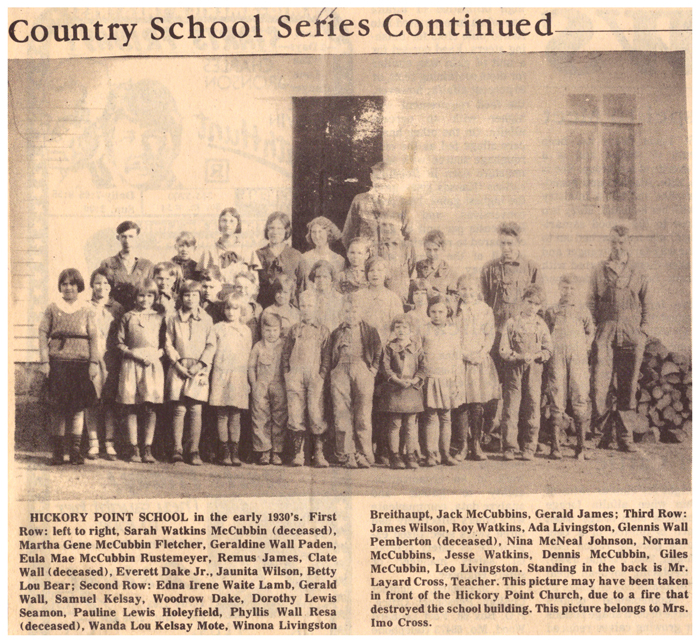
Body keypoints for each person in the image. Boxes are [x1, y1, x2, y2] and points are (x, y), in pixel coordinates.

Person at [479, 221, 545, 449]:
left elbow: (539, 304)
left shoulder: (531, 268)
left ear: (519, 243)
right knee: (494, 387)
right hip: (497, 338)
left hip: (523, 341)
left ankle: (526, 441)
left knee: (525, 391)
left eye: (510, 243)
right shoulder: (489, 268)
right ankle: (493, 436)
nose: (506, 248)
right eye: (502, 243)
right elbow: (485, 303)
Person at [588, 225, 650, 453]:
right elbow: (591, 301)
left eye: (621, 243)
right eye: (613, 242)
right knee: (600, 385)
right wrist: (595, 330)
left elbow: (648, 302)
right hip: (605, 334)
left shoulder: (639, 270)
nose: (617, 247)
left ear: (629, 243)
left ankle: (625, 436)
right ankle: (604, 435)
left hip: (631, 335)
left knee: (628, 386)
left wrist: (643, 331)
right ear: (609, 243)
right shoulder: (599, 270)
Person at [38, 268, 99, 465]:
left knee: (77, 409)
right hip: (58, 364)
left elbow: (95, 337)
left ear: (79, 286)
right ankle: (57, 452)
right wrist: (45, 361)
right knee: (58, 409)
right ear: (60, 287)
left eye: (72, 284)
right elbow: (42, 333)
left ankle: (74, 451)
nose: (69, 288)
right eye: (64, 284)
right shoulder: (52, 308)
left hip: (81, 364)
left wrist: (93, 362)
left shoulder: (87, 309)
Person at [164, 280, 215, 465]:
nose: (190, 299)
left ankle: (194, 450)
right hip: (179, 367)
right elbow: (168, 343)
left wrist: (200, 365)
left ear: (200, 298)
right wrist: (177, 364)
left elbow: (210, 345)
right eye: (187, 295)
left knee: (196, 409)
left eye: (194, 295)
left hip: (198, 369)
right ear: (181, 297)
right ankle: (177, 448)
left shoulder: (207, 319)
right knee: (179, 408)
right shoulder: (173, 318)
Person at [499, 284, 552, 461]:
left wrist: (536, 355)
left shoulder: (541, 324)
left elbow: (548, 349)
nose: (532, 307)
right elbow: (503, 349)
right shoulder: (512, 323)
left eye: (536, 304)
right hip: (514, 369)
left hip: (534, 370)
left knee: (532, 406)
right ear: (523, 301)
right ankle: (509, 447)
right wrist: (518, 356)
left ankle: (529, 446)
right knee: (511, 408)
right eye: (529, 302)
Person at [329, 293, 382, 468]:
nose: (351, 314)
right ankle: (346, 453)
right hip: (341, 370)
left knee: (363, 414)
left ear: (361, 312)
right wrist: (334, 370)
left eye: (355, 311)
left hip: (362, 369)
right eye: (347, 311)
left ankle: (363, 453)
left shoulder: (370, 330)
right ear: (342, 313)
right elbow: (330, 354)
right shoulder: (337, 332)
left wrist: (373, 369)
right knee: (341, 412)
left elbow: (378, 349)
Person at [545, 273, 595, 460]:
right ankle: (555, 447)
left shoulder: (583, 311)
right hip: (557, 357)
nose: (568, 291)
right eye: (565, 288)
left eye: (572, 288)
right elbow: (545, 333)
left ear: (577, 290)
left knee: (580, 396)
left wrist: (584, 349)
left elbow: (590, 332)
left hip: (578, 359)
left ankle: (581, 447)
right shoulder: (552, 311)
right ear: (559, 288)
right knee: (557, 396)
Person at [452, 273, 501, 462]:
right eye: (463, 288)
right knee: (462, 402)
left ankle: (476, 444)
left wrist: (481, 354)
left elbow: (490, 334)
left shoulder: (485, 309)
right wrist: (463, 354)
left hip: (480, 361)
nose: (468, 292)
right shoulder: (454, 310)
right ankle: (462, 444)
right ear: (458, 290)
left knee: (477, 403)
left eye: (471, 289)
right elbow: (452, 335)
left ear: (478, 290)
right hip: (460, 360)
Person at [115, 279, 165, 463]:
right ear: (135, 297)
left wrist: (156, 355)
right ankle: (134, 447)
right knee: (132, 406)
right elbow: (119, 343)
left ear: (155, 297)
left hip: (152, 365)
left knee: (150, 407)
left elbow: (165, 343)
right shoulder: (128, 316)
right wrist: (134, 355)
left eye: (149, 295)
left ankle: (147, 448)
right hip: (132, 364)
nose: (145, 299)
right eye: (141, 295)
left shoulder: (159, 317)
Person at [282, 290, 331, 467]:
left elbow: (326, 356)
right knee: (295, 413)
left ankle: (318, 453)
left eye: (310, 306)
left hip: (315, 375)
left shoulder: (323, 330)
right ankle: (299, 453)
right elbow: (286, 353)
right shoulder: (294, 330)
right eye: (303, 306)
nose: (306, 309)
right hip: (295, 375)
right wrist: (287, 373)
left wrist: (322, 375)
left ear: (316, 307)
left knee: (316, 412)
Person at [84, 267, 123, 460]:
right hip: (91, 358)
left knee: (109, 402)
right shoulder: (85, 307)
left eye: (106, 283)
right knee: (91, 400)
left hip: (111, 360)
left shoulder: (117, 308)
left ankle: (109, 443)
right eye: (98, 282)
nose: (102, 287)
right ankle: (93, 443)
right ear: (92, 285)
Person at [420, 295, 463, 467]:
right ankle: (431, 453)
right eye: (433, 312)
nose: (437, 315)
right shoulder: (423, 330)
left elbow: (457, 357)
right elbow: (419, 355)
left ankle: (445, 453)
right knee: (431, 416)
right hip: (430, 377)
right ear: (428, 312)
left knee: (446, 416)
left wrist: (457, 381)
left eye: (441, 311)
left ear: (448, 312)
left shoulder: (453, 331)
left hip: (448, 379)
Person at [210, 293, 253, 467]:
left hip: (238, 375)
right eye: (228, 308)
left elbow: (248, 355)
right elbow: (212, 352)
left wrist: (248, 380)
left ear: (241, 310)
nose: (231, 312)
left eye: (235, 308)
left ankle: (235, 451)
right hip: (221, 373)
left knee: (235, 414)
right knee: (222, 413)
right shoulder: (217, 328)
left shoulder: (246, 330)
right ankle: (224, 450)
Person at [378, 315, 425, 469]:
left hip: (411, 390)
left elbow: (424, 367)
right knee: (395, 424)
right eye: (398, 327)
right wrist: (397, 380)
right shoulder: (389, 348)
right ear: (393, 330)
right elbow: (385, 368)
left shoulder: (417, 347)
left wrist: (414, 380)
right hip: (395, 390)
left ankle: (410, 454)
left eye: (405, 327)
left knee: (411, 424)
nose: (401, 330)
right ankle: (394, 455)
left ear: (411, 331)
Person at [341, 161, 412, 255]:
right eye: (378, 178)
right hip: (368, 260)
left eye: (386, 179)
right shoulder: (359, 200)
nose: (381, 183)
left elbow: (410, 236)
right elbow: (347, 235)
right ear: (371, 177)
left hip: (392, 260)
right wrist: (358, 257)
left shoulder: (402, 203)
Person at [248, 311, 287, 466]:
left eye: (275, 330)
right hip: (261, 385)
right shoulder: (258, 346)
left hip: (279, 385)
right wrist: (254, 384)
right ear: (262, 330)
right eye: (267, 330)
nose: (271, 334)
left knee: (279, 418)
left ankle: (277, 451)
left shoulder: (284, 346)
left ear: (280, 330)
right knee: (260, 417)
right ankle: (264, 451)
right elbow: (251, 367)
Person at [198, 207, 260, 287]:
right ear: (219, 223)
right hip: (216, 296)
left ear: (237, 224)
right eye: (224, 220)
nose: (227, 224)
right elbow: (202, 280)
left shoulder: (247, 249)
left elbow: (255, 281)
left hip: (240, 295)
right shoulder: (209, 250)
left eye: (231, 221)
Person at [99, 220, 154, 309]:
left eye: (131, 237)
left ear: (137, 238)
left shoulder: (148, 265)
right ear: (118, 238)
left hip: (139, 312)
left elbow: (152, 292)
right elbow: (101, 291)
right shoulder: (107, 263)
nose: (127, 240)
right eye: (123, 237)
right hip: (114, 311)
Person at [256, 211, 305, 309]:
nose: (275, 232)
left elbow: (302, 287)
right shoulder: (259, 254)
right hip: (264, 307)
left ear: (286, 231)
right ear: (267, 230)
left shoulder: (296, 255)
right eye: (271, 228)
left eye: (279, 228)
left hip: (290, 309)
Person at [357, 257, 404, 345]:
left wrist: (388, 343)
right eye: (371, 270)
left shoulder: (393, 298)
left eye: (379, 270)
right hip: (362, 344)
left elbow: (398, 326)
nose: (375, 274)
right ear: (367, 274)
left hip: (386, 344)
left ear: (386, 273)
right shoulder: (358, 296)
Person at [377, 219, 416, 304]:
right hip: (382, 299)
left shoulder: (407, 247)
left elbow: (412, 271)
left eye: (391, 225)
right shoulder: (375, 248)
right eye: (384, 224)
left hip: (403, 299)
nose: (387, 228)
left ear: (399, 226)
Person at [301, 216, 345, 285]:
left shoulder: (339, 260)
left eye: (320, 232)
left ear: (328, 233)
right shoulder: (304, 258)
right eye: (313, 232)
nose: (317, 236)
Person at [415, 229, 456, 297]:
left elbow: (454, 299)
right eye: (428, 249)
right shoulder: (417, 267)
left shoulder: (449, 272)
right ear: (424, 248)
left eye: (435, 250)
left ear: (443, 248)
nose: (432, 254)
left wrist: (435, 293)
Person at [307, 260, 344, 332]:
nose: (321, 280)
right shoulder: (307, 296)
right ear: (313, 278)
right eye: (318, 277)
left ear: (331, 279)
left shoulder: (339, 298)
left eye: (325, 277)